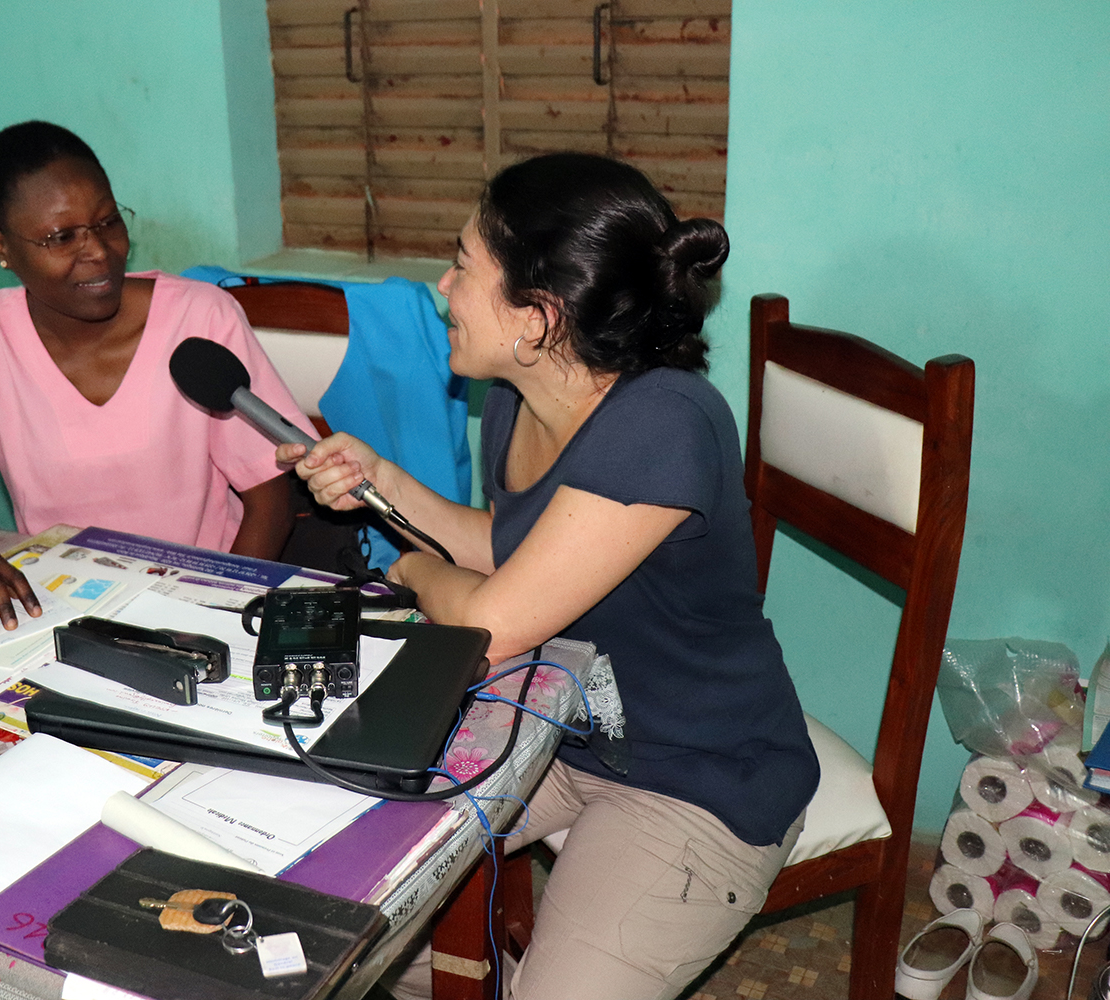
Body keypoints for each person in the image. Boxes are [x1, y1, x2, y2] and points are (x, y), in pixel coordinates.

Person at [280, 153, 819, 1000]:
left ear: (537, 316)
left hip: (698, 778)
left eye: (463, 265)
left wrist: (410, 567)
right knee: (345, 908)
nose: (442, 288)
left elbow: (494, 628)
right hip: (562, 729)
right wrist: (378, 478)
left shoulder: (663, 424)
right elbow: (508, 549)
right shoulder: (518, 401)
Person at [0, 121, 309, 637]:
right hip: (66, 617)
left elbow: (271, 501)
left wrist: (210, 618)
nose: (98, 250)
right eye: (62, 236)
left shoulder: (200, 319)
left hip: (204, 606)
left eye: (107, 222)